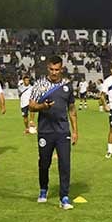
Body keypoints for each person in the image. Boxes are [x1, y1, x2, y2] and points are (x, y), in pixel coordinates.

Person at [28, 56, 78, 209]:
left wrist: (75, 130)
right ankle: (43, 190)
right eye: (51, 69)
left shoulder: (67, 86)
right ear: (47, 68)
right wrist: (43, 106)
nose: (54, 72)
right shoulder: (40, 85)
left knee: (65, 164)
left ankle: (64, 197)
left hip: (63, 131)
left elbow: (71, 109)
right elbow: (31, 106)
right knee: (44, 163)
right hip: (45, 131)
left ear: (61, 69)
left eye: (57, 70)